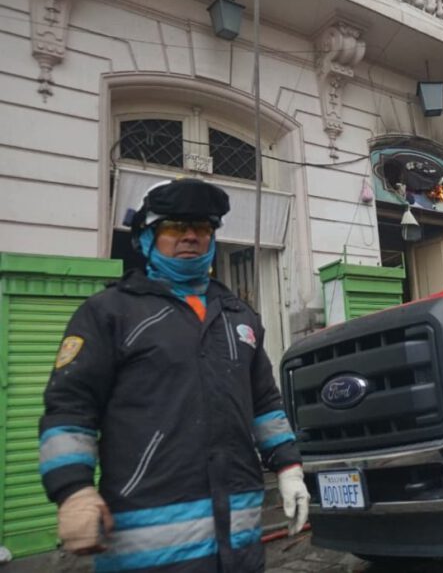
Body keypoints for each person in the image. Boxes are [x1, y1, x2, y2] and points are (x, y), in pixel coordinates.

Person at [39, 178, 310, 571]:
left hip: (240, 542)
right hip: (148, 549)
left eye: (202, 228)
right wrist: (73, 489)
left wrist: (289, 468)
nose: (190, 237)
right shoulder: (109, 313)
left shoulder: (239, 316)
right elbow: (69, 407)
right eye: (173, 227)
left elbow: (264, 403)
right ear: (146, 238)